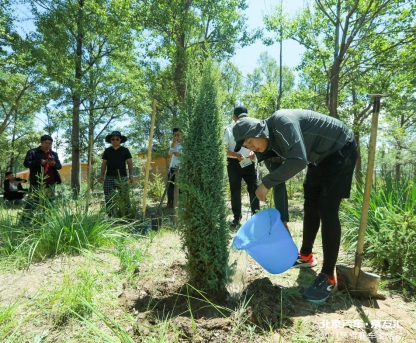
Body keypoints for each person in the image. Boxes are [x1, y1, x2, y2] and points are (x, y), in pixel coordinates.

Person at [233, 109, 357, 303]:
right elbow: (281, 171)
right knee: (311, 205)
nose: (250, 147)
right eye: (246, 145)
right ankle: (306, 255)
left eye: (250, 141)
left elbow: (298, 161)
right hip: (318, 157)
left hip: (340, 148)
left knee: (327, 208)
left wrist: (266, 183)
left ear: (259, 131)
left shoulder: (283, 123)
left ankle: (328, 275)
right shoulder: (269, 144)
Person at [224, 106, 260, 226]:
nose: (243, 119)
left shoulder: (251, 128)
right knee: (235, 190)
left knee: (254, 188)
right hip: (233, 163)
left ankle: (256, 216)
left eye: (245, 117)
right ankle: (236, 217)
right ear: (234, 117)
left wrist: (253, 152)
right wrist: (235, 154)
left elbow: (258, 144)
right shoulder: (228, 129)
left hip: (248, 162)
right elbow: (223, 149)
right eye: (240, 117)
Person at [22, 134, 62, 215]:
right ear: (41, 142)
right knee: (32, 201)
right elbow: (26, 163)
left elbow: (59, 166)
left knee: (49, 202)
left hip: (51, 181)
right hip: (37, 181)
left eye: (50, 143)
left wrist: (54, 164)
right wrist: (39, 162)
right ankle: (25, 221)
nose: (48, 145)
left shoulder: (54, 154)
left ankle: (47, 220)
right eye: (46, 143)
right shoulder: (32, 152)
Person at [100, 130, 134, 216]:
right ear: (110, 140)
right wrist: (101, 175)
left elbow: (129, 162)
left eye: (117, 139)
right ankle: (110, 215)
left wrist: (131, 174)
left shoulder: (125, 150)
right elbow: (104, 163)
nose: (115, 140)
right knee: (108, 196)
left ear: (120, 140)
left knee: (124, 195)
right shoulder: (107, 151)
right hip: (109, 176)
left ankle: (127, 214)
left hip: (121, 176)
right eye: (113, 139)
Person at [166, 128, 182, 209]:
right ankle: (170, 204)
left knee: (181, 188)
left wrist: (179, 155)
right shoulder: (173, 143)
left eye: (178, 135)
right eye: (175, 135)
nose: (176, 137)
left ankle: (181, 205)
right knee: (170, 186)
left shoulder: (186, 144)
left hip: (181, 168)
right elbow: (169, 154)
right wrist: (173, 144)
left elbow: (186, 157)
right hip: (172, 167)